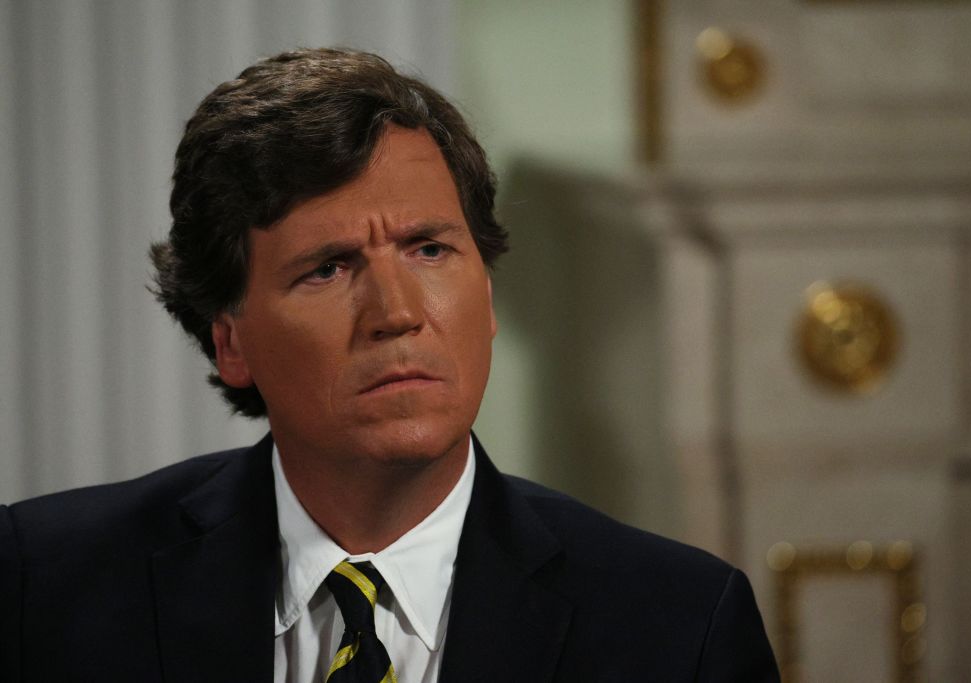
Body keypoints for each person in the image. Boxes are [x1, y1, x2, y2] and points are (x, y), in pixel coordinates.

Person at [0, 47, 779, 682]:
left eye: (429, 249)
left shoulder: (679, 628)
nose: (398, 312)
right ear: (231, 341)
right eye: (329, 267)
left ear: (488, 294)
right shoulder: (41, 585)